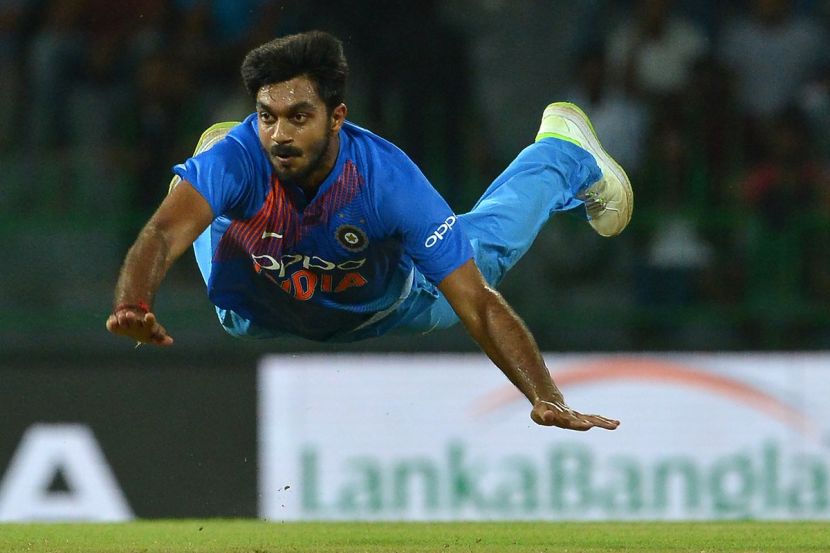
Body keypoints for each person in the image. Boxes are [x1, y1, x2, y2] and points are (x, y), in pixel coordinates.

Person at [106, 31, 632, 432]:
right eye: (267, 117)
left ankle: (561, 152)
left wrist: (544, 395)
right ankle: (202, 182)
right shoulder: (243, 158)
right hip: (256, 308)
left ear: (336, 117)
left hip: (391, 304)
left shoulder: (387, 182)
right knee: (206, 214)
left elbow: (478, 304)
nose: (279, 135)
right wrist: (133, 303)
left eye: (298, 117)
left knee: (486, 252)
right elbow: (162, 235)